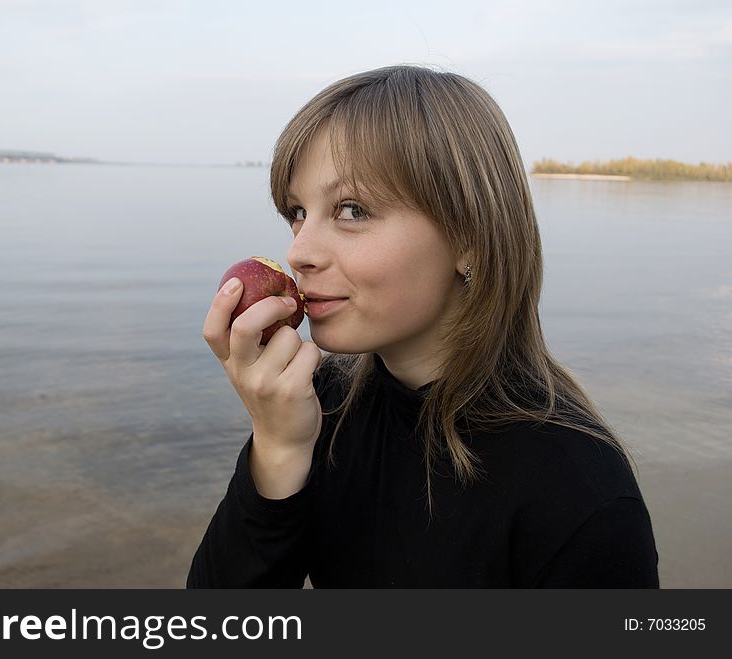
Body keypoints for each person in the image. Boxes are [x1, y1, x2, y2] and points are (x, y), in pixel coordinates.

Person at [187, 65, 660, 588]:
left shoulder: (578, 491)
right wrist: (276, 448)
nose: (298, 252)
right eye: (297, 211)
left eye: (351, 210)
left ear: (470, 239)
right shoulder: (320, 407)